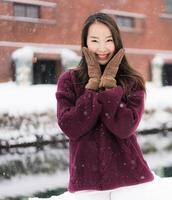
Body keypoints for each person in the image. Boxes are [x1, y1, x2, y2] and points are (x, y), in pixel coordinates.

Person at [55, 12, 154, 194]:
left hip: (131, 181)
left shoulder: (131, 81)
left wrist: (109, 88)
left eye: (108, 40)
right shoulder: (69, 80)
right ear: (85, 43)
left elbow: (125, 128)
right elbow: (70, 126)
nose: (102, 47)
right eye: (94, 40)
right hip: (86, 184)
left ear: (117, 42)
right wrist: (92, 88)